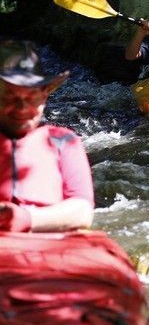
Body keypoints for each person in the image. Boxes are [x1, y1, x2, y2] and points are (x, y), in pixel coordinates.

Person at [0, 39, 94, 232]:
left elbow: (83, 212)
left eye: (31, 96)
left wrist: (26, 218)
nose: (22, 107)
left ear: (44, 96)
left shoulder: (64, 141)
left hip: (47, 248)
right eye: (10, 96)